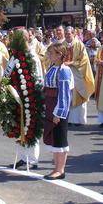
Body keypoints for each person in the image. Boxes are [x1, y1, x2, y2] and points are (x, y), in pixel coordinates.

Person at [6, 28, 44, 170]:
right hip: (17, 96)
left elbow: (38, 77)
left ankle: (32, 159)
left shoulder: (32, 56)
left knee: (31, 127)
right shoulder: (14, 56)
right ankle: (22, 157)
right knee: (19, 126)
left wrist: (37, 96)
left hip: (31, 97)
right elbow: (7, 74)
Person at [43, 42, 74, 180]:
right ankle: (56, 168)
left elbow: (64, 94)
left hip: (57, 107)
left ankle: (60, 170)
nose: (49, 55)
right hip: (50, 105)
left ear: (59, 55)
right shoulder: (52, 68)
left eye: (51, 53)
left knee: (60, 138)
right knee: (54, 138)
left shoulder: (64, 70)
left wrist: (59, 113)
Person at [61, 26, 95, 126]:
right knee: (68, 96)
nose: (67, 35)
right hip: (66, 74)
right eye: (66, 33)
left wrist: (72, 63)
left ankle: (79, 120)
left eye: (69, 33)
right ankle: (69, 119)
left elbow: (84, 60)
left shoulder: (79, 44)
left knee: (79, 95)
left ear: (73, 34)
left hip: (77, 74)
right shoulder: (62, 45)